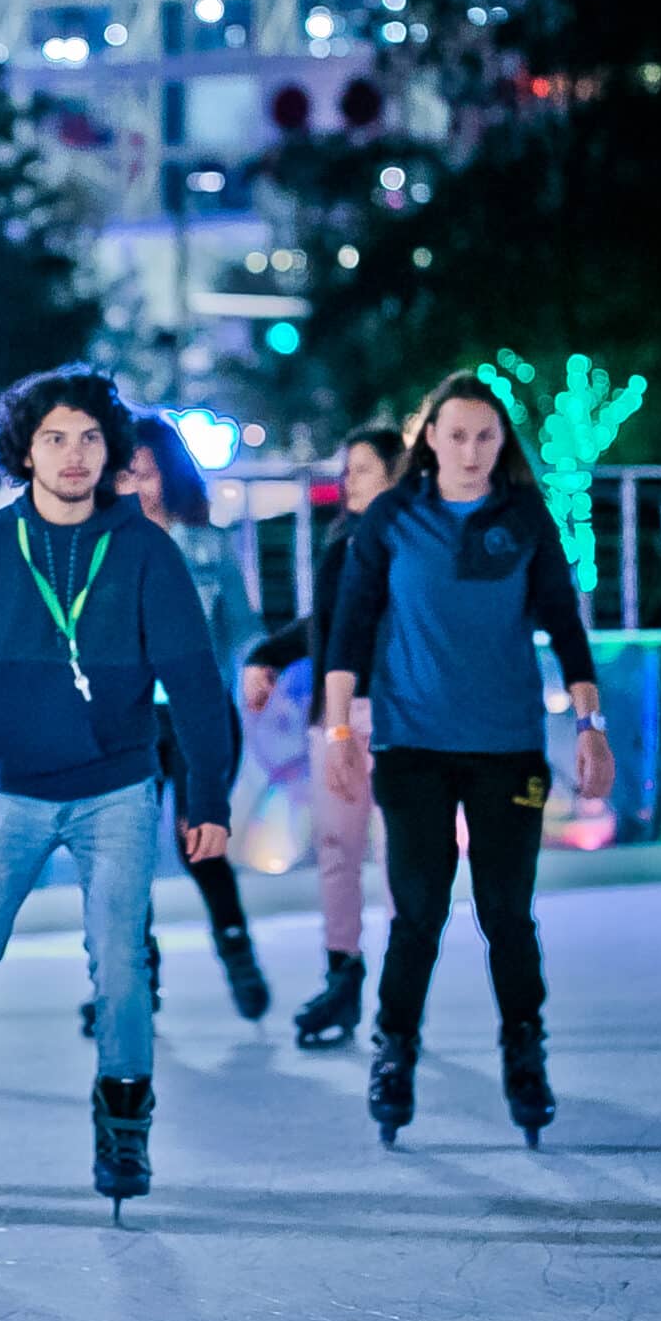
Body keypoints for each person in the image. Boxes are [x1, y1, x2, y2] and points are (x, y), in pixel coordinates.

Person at [0, 366, 235, 1225]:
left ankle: (125, 1132)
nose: (74, 455)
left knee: (121, 968)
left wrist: (205, 797)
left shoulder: (145, 548)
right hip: (10, 792)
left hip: (117, 789)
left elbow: (195, 680)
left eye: (91, 438)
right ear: (25, 451)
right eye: (55, 438)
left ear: (113, 453)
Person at [322, 373, 614, 1149]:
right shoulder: (392, 517)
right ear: (430, 439)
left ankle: (525, 1052)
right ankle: (395, 1052)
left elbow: (564, 621)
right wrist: (338, 732)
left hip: (506, 748)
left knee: (505, 914)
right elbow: (349, 625)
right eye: (456, 435)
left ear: (501, 442)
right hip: (412, 747)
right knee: (417, 912)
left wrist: (591, 724)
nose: (471, 450)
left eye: (486, 436)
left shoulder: (522, 518)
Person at [243, 426, 407, 1047]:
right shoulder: (344, 542)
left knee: (397, 857)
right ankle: (342, 974)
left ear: (395, 474)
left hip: (391, 716)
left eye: (363, 468)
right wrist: (271, 653)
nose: (350, 479)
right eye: (348, 467)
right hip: (333, 717)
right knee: (337, 851)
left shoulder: (408, 541)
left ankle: (398, 992)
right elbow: (329, 626)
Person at [116, 411, 269, 1021]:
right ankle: (131, 977)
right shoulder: (102, 546)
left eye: (145, 473)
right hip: (125, 720)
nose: (134, 486)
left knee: (198, 841)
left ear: (169, 475)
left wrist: (259, 666)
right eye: (124, 474)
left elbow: (243, 624)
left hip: (197, 717)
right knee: (122, 847)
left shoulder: (208, 544)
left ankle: (238, 956)